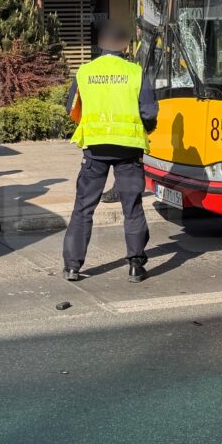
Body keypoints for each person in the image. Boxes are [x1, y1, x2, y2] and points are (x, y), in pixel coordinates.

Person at [63, 20, 158, 283]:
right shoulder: (135, 72)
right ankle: (136, 266)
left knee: (83, 208)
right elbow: (149, 112)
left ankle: (73, 267)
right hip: (129, 149)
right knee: (132, 207)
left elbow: (71, 108)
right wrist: (143, 128)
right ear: (124, 44)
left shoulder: (84, 72)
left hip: (95, 150)